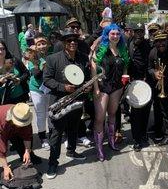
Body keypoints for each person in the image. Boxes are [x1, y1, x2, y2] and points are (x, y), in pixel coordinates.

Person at [43, 28, 91, 179]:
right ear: (64, 42)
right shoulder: (52, 59)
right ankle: (52, 163)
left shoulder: (83, 58)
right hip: (59, 101)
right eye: (69, 40)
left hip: (77, 99)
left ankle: (71, 150)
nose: (72, 43)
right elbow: (47, 79)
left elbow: (87, 77)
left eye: (75, 40)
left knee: (73, 127)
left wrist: (87, 86)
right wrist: (63, 87)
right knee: (56, 133)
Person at [92, 23, 129, 161]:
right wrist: (95, 87)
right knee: (100, 118)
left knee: (113, 113)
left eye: (117, 34)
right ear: (107, 34)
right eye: (112, 33)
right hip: (102, 87)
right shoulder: (101, 48)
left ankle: (112, 141)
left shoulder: (122, 49)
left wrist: (125, 76)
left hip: (117, 87)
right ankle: (100, 147)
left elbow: (125, 65)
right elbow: (93, 69)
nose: (115, 36)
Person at [128, 24, 152, 151]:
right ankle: (136, 139)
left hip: (146, 82)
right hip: (132, 82)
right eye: (136, 31)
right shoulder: (128, 43)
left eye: (141, 32)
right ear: (133, 32)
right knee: (135, 112)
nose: (138, 34)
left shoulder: (148, 44)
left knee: (145, 111)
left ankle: (143, 134)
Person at [0, 103, 37, 180]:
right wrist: (5, 167)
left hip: (10, 128)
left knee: (25, 151)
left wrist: (27, 151)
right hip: (3, 126)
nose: (22, 125)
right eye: (20, 123)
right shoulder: (2, 120)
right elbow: (1, 146)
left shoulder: (24, 115)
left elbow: (27, 136)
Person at [28, 34, 50, 149]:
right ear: (35, 46)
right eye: (39, 44)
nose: (42, 46)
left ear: (47, 44)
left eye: (43, 43)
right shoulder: (32, 57)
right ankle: (43, 137)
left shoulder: (51, 55)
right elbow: (36, 74)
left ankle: (52, 134)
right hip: (37, 89)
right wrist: (43, 67)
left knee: (51, 113)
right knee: (41, 114)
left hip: (49, 88)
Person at [0, 40, 30, 105]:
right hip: (3, 101)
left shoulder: (14, 60)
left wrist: (19, 79)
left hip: (19, 98)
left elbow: (26, 73)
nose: (1, 51)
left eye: (3, 49)